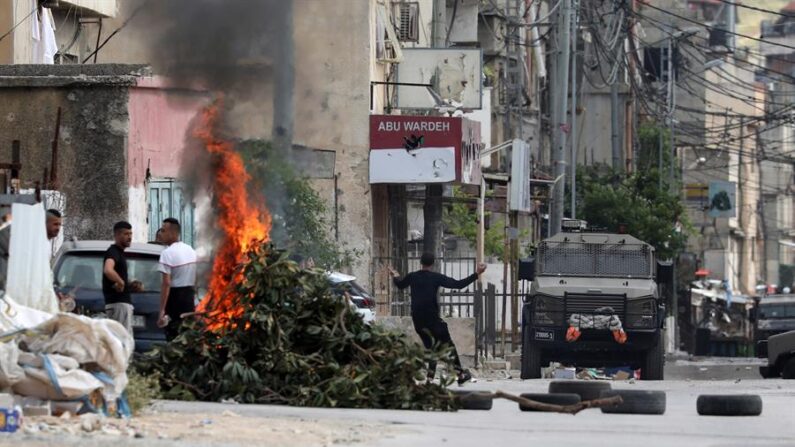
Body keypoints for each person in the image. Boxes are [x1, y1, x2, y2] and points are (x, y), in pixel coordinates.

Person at [390, 253, 487, 385]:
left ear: (421, 262)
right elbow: (458, 284)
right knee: (449, 346)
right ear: (433, 263)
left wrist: (395, 275)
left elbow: (400, 285)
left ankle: (430, 379)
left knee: (431, 348)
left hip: (418, 321)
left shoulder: (413, 276)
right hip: (433, 321)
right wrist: (477, 274)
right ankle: (461, 374)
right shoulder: (435, 277)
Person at [156, 218, 197, 340]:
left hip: (175, 298)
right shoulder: (190, 250)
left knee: (173, 336)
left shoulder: (167, 253)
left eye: (163, 231)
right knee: (186, 336)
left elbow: (166, 283)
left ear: (172, 233)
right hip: (189, 297)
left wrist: (162, 310)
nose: (160, 234)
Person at [103, 221, 134, 335]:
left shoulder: (120, 253)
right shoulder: (113, 252)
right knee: (122, 341)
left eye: (130, 234)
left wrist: (129, 284)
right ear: (117, 235)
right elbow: (108, 270)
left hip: (121, 305)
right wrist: (120, 281)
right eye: (126, 234)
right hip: (119, 305)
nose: (129, 237)